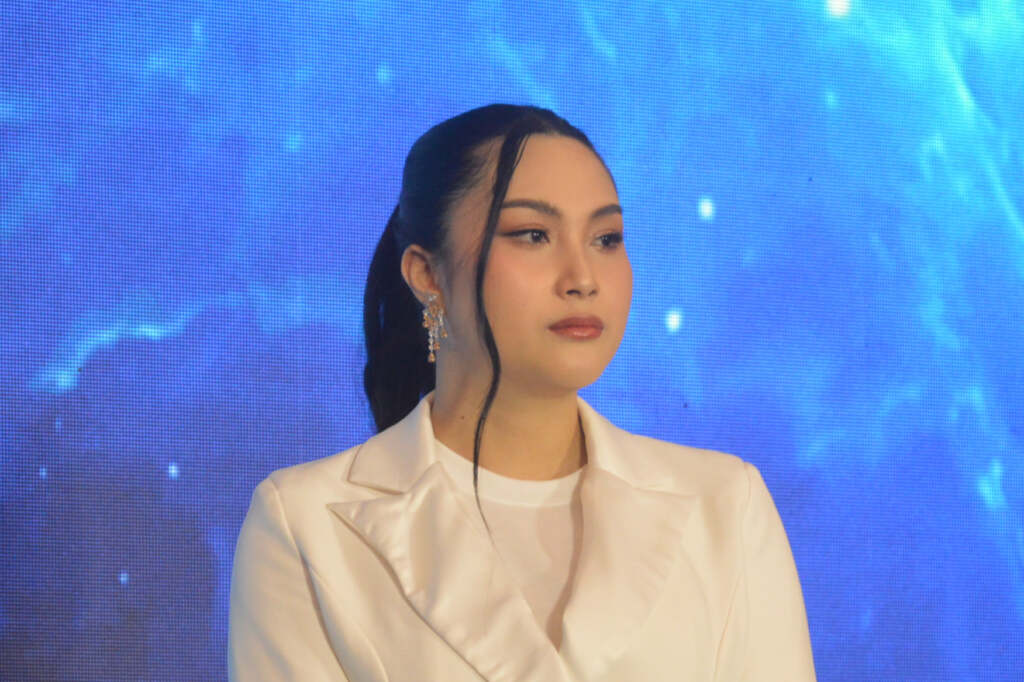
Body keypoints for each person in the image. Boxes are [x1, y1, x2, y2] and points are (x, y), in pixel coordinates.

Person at [227, 104, 817, 681]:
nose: (582, 278)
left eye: (606, 239)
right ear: (427, 275)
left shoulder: (725, 505)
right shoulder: (305, 524)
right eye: (534, 235)